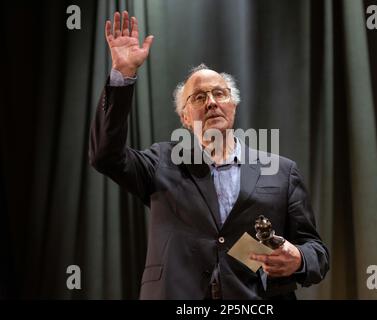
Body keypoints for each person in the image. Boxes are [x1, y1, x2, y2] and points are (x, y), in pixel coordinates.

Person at [89, 11, 329, 300]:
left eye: (220, 94)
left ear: (233, 107)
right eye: (199, 97)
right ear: (185, 117)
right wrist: (123, 76)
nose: (212, 102)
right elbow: (105, 155)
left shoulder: (281, 171)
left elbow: (316, 251)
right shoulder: (160, 163)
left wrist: (299, 259)